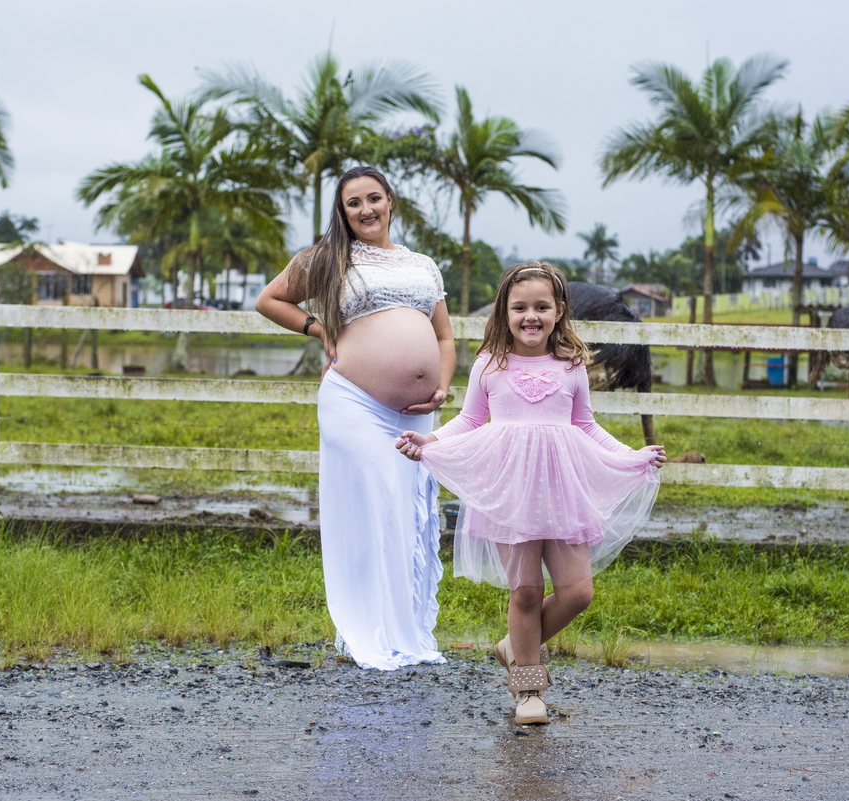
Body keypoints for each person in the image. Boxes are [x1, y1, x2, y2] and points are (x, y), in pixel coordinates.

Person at [395, 262, 665, 723]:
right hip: (510, 492)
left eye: (542, 307)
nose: (531, 316)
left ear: (559, 311)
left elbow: (586, 425)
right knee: (524, 592)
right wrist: (432, 441)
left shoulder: (572, 364)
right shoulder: (490, 363)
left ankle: (514, 645)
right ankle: (528, 690)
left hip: (563, 490)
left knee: (578, 592)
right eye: (520, 307)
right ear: (506, 311)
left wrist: (631, 456)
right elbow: (470, 421)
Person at [255, 166, 455, 670]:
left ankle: (403, 632)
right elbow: (269, 300)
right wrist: (318, 329)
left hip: (413, 412)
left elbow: (445, 337)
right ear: (342, 213)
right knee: (375, 502)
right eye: (353, 203)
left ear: (391, 202)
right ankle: (366, 631)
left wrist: (443, 385)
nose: (365, 210)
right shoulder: (327, 258)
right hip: (354, 402)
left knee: (406, 512)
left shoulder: (423, 265)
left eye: (373, 199)